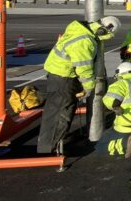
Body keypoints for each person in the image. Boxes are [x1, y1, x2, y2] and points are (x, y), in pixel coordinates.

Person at [37, 16, 121, 154]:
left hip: (58, 73)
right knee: (61, 113)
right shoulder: (85, 41)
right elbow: (84, 67)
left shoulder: (79, 30)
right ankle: (48, 149)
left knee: (56, 111)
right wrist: (88, 87)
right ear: (103, 30)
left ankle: (49, 146)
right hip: (63, 77)